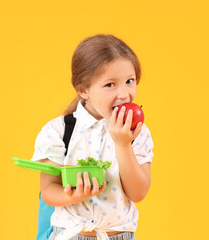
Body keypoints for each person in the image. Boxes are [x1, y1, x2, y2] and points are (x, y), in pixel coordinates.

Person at [31, 34, 154, 240]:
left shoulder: (137, 132)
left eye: (129, 81)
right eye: (110, 85)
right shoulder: (59, 132)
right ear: (83, 89)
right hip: (71, 235)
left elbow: (138, 193)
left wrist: (123, 144)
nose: (124, 94)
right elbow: (48, 191)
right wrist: (72, 195)